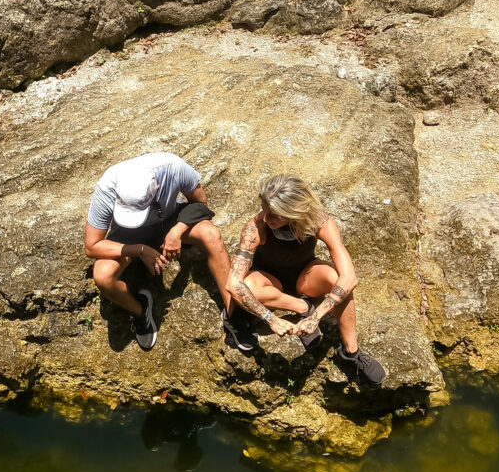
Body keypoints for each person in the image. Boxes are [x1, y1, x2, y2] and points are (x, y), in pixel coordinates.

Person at [84, 152, 257, 352]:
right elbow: (92, 246)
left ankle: (233, 312)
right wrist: (140, 250)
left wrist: (177, 230)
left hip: (168, 221)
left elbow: (200, 204)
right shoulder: (107, 187)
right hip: (129, 236)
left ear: (157, 187)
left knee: (211, 234)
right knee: (103, 275)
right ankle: (140, 311)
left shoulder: (172, 167)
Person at [226, 173, 386, 384]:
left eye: (273, 214)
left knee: (335, 277)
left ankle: (351, 352)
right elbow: (233, 283)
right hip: (270, 281)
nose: (266, 218)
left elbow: (349, 278)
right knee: (247, 286)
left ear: (294, 212)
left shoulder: (319, 222)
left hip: (305, 277)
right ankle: (302, 307)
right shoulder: (256, 228)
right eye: (264, 209)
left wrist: (316, 317)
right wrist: (271, 319)